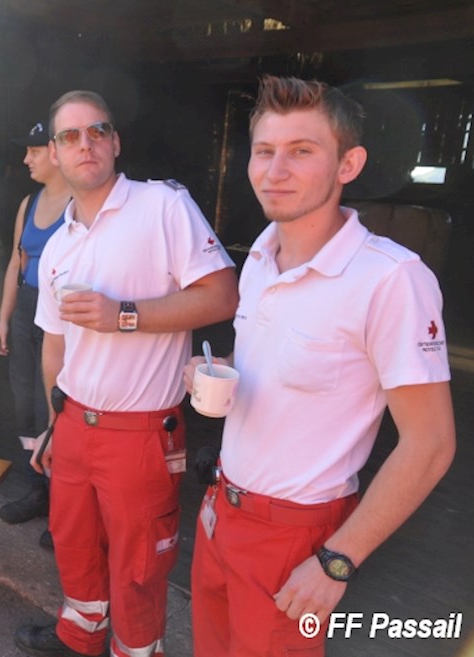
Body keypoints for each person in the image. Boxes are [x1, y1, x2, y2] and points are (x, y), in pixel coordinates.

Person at [185, 76, 456, 657]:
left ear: (347, 164)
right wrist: (218, 370)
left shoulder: (390, 279)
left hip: (298, 536)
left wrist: (338, 559)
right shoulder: (261, 257)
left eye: (302, 151)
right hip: (221, 510)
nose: (275, 170)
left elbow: (431, 444)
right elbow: (275, 360)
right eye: (264, 151)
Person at [15, 91, 238, 657]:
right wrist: (53, 424)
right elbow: (54, 345)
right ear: (55, 154)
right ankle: (80, 635)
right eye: (69, 136)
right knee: (74, 545)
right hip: (73, 424)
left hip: (140, 432)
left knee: (139, 569)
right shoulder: (58, 244)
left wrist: (125, 315)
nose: (84, 144)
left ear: (115, 142)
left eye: (97, 131)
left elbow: (222, 295)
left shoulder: (161, 206)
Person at [0, 121, 67, 547]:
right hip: (26, 308)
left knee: (53, 404)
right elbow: (15, 264)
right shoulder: (29, 202)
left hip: (61, 313)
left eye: (33, 151)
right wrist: (4, 319)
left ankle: (64, 506)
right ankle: (36, 489)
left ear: (55, 152)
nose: (26, 159)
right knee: (24, 400)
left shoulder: (81, 201)